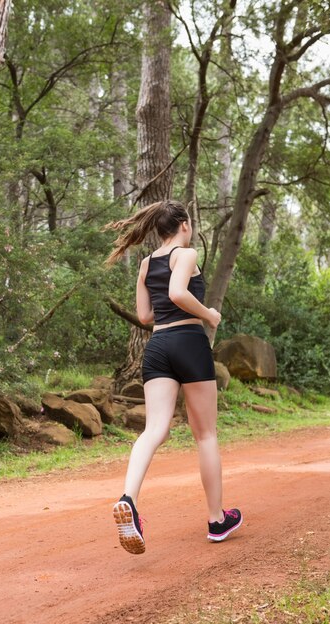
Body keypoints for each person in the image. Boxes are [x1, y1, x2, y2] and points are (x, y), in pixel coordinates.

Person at [106, 199, 242, 555]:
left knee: (154, 430)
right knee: (206, 434)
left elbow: (145, 315)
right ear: (183, 225)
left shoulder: (145, 263)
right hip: (188, 341)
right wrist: (209, 315)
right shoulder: (186, 253)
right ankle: (216, 520)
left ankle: (128, 500)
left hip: (158, 346)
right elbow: (178, 293)